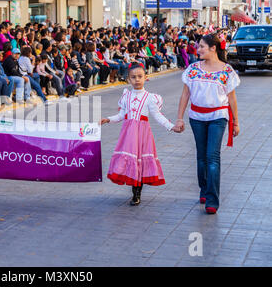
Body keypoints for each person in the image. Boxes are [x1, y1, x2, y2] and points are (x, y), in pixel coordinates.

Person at [175, 33, 240, 215]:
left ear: (213, 48)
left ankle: (212, 199)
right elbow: (185, 95)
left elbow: (232, 98)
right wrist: (179, 118)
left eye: (202, 46)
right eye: (198, 46)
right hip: (196, 117)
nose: (198, 49)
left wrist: (235, 122)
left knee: (212, 157)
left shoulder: (227, 71)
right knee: (201, 157)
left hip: (218, 117)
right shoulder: (193, 69)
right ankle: (204, 189)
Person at [100, 62, 180, 206]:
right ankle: (134, 192)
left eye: (140, 76)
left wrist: (171, 126)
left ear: (145, 77)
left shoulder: (150, 98)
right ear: (128, 79)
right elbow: (121, 115)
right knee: (131, 160)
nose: (137, 79)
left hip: (143, 134)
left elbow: (157, 115)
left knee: (140, 161)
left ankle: (137, 193)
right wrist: (108, 119)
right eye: (133, 77)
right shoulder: (126, 96)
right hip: (128, 134)